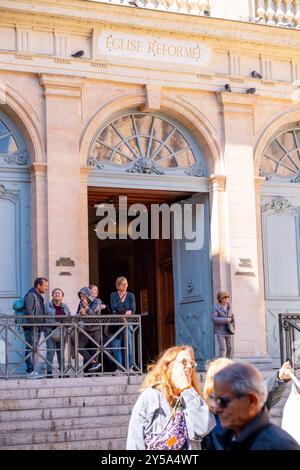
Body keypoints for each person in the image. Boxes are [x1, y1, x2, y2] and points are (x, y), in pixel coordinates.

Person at [126, 345, 215, 450]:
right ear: (168, 366)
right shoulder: (149, 397)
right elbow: (135, 442)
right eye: (183, 362)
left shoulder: (192, 398)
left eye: (191, 364)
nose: (189, 367)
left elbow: (203, 427)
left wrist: (186, 389)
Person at [202, 358, 294, 450]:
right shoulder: (226, 435)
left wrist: (279, 378)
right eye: (217, 400)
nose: (219, 408)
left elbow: (262, 392)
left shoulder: (279, 444)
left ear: (251, 401)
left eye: (224, 401)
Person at [23, 277, 48, 379]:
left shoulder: (38, 296)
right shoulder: (30, 295)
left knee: (33, 349)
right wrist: (34, 325)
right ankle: (29, 372)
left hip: (37, 327)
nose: (47, 288)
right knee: (30, 349)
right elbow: (28, 312)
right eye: (45, 285)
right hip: (32, 327)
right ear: (38, 285)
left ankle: (31, 371)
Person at [110, 277, 136, 372]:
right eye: (123, 284)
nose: (125, 286)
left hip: (128, 323)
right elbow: (113, 308)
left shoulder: (131, 296)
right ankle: (119, 368)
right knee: (117, 346)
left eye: (126, 284)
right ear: (118, 285)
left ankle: (130, 367)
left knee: (129, 345)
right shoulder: (113, 295)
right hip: (116, 323)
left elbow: (132, 310)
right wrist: (125, 312)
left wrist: (120, 311)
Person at [44, 288, 71, 377]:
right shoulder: (47, 305)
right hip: (50, 331)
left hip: (62, 332)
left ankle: (62, 372)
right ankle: (49, 372)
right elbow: (43, 318)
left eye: (59, 293)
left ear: (62, 296)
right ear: (52, 295)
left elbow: (69, 318)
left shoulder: (65, 306)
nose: (57, 294)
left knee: (61, 352)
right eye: (55, 293)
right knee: (50, 352)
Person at [76, 286, 103, 373]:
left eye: (83, 295)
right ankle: (94, 362)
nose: (81, 298)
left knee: (95, 349)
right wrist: (80, 314)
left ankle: (93, 372)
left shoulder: (97, 301)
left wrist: (87, 308)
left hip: (96, 328)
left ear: (87, 294)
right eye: (80, 296)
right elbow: (77, 314)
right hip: (85, 329)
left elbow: (94, 312)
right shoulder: (81, 303)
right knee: (79, 346)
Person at [212, 291, 235, 358]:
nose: (227, 298)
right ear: (220, 299)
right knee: (223, 348)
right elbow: (214, 319)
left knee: (230, 348)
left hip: (228, 330)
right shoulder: (216, 307)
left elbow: (232, 316)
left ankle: (228, 362)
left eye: (228, 297)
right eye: (225, 297)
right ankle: (222, 363)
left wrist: (233, 325)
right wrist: (226, 320)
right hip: (220, 331)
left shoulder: (229, 306)